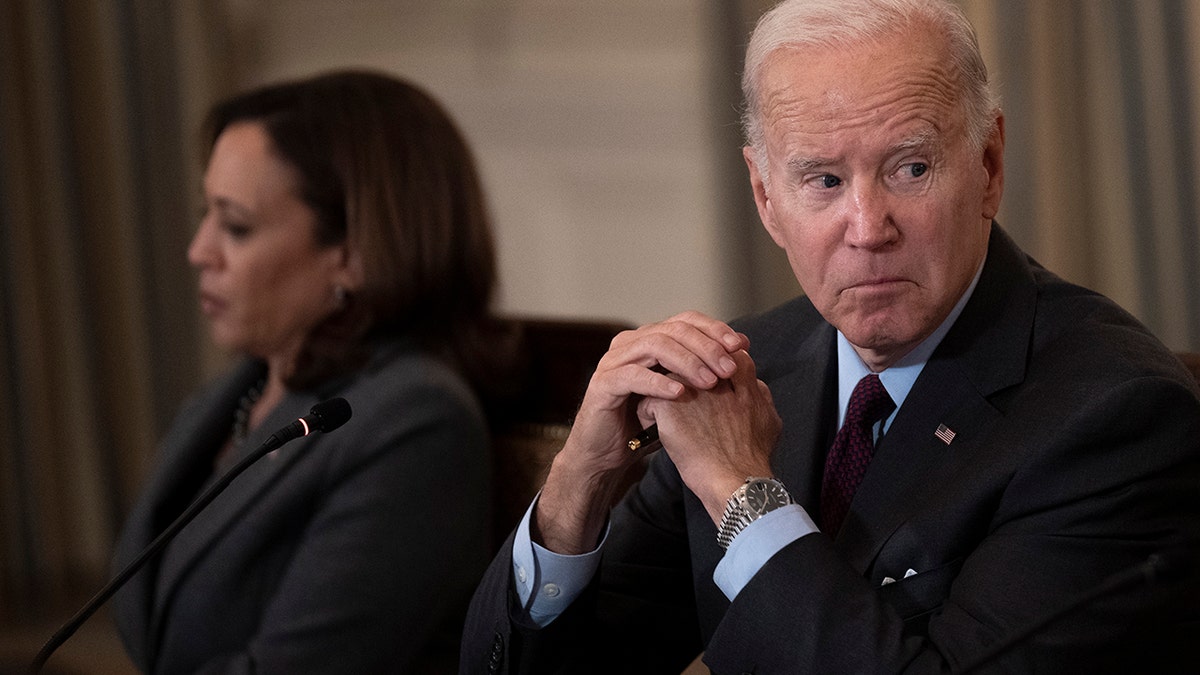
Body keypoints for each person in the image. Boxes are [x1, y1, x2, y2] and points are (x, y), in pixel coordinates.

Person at [459, 0, 1200, 673]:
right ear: (766, 198)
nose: (869, 228)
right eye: (823, 180)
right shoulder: (745, 371)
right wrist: (575, 488)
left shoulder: (1117, 415)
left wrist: (740, 492)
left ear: (988, 167)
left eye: (910, 168)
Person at [112, 70, 506, 674]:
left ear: (353, 253)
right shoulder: (245, 386)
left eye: (236, 225)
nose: (198, 250)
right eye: (205, 214)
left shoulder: (418, 423)